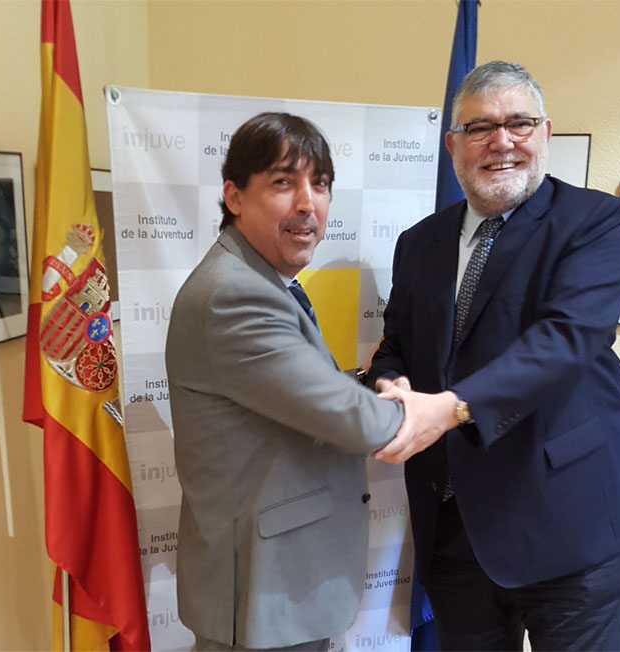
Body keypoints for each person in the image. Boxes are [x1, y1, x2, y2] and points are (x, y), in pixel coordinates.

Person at [368, 61, 620, 651]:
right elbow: (397, 341)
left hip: (569, 528)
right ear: (454, 145)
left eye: (519, 123)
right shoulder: (418, 242)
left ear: (545, 134)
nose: (502, 141)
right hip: (454, 528)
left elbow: (568, 340)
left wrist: (447, 408)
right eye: (480, 127)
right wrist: (391, 386)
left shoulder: (594, 222)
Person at [166, 112, 443, 652]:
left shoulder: (265, 282)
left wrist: (365, 380)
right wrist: (441, 407)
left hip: (280, 586)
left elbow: (287, 391)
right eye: (282, 181)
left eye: (319, 184)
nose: (306, 203)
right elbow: (350, 420)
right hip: (263, 595)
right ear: (234, 195)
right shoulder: (235, 294)